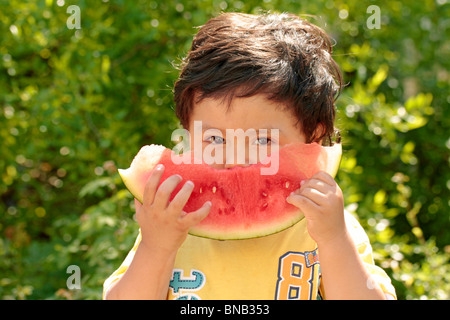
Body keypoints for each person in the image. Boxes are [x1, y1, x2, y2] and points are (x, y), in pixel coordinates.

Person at [103, 12, 396, 300]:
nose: (235, 157)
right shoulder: (170, 222)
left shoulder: (330, 227)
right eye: (215, 138)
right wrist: (156, 247)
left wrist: (334, 241)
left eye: (262, 139)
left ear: (314, 138)